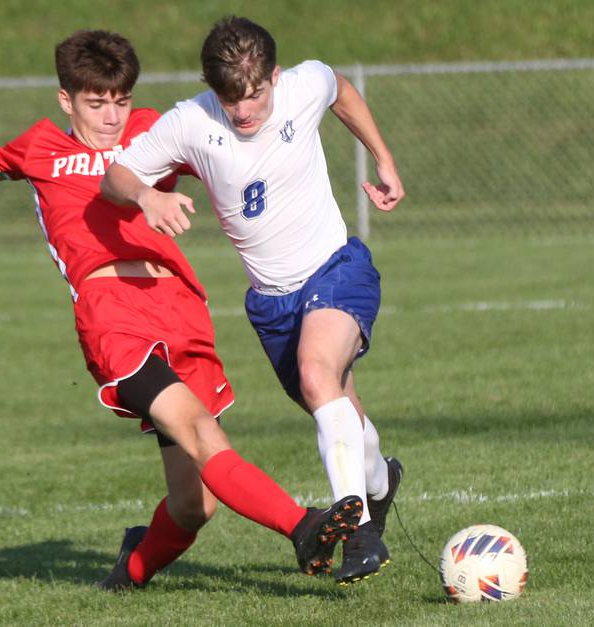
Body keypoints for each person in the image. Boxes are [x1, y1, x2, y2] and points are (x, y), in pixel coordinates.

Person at [0, 29, 364, 591]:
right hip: (111, 314)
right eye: (96, 103)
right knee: (198, 432)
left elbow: (232, 154)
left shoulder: (153, 131)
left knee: (195, 507)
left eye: (121, 101)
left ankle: (131, 569)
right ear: (66, 100)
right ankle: (302, 525)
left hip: (180, 307)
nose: (112, 116)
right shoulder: (40, 147)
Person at [101, 16, 406, 585]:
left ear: (275, 76)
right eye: (229, 99)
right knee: (334, 401)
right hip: (271, 305)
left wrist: (383, 158)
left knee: (318, 375)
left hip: (337, 268)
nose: (243, 112)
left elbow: (338, 88)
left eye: (255, 94)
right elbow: (113, 176)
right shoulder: (192, 121)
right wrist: (145, 194)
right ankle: (380, 483)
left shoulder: (302, 85)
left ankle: (358, 532)